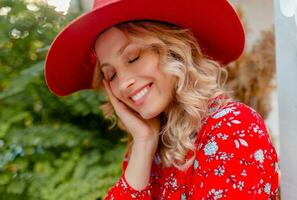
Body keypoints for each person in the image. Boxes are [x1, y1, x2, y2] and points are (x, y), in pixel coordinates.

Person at [44, 0, 279, 199]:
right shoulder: (150, 147)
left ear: (174, 50)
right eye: (111, 74)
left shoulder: (233, 128)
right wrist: (144, 143)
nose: (123, 82)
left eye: (133, 57)